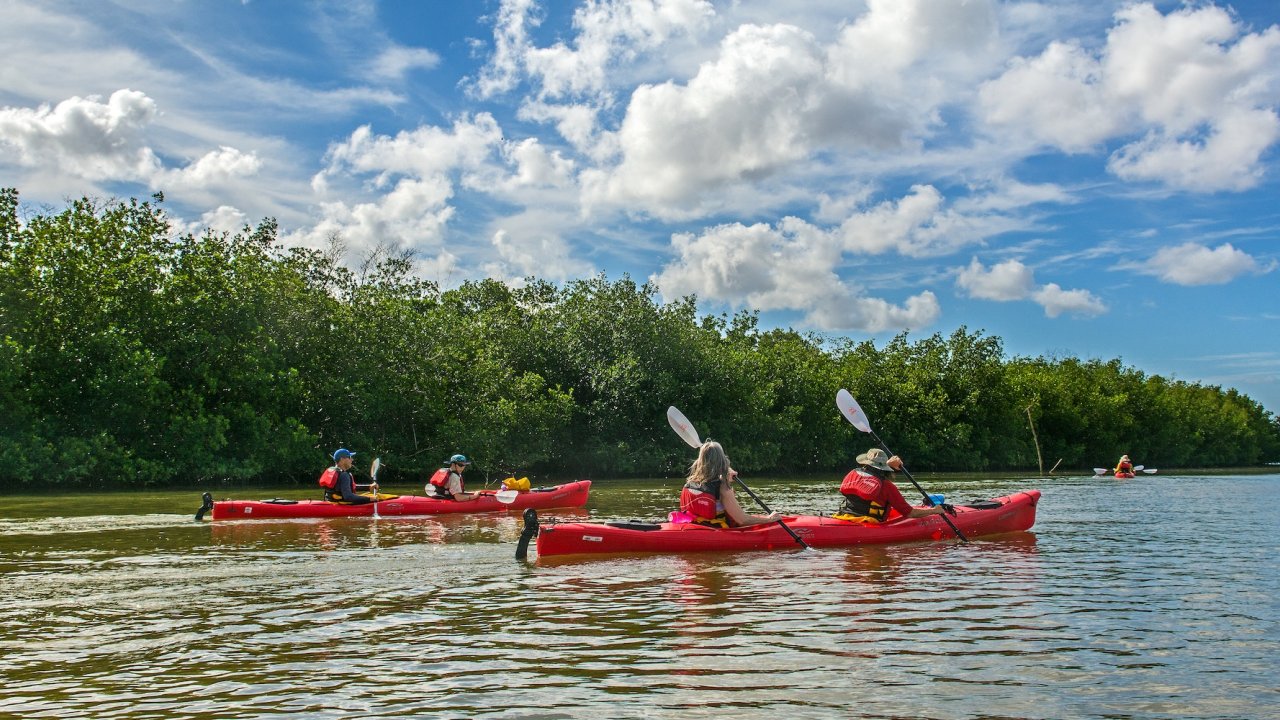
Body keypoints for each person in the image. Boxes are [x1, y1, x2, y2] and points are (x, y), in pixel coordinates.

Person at [679, 441, 780, 528]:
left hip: (697, 525)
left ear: (700, 461)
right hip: (717, 531)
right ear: (723, 460)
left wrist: (726, 472)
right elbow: (742, 520)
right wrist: (769, 519)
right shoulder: (723, 488)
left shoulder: (692, 482)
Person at [835, 448, 952, 522]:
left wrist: (889, 464)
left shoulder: (854, 475)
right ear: (885, 468)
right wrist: (934, 510)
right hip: (869, 524)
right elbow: (910, 513)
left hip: (844, 517)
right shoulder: (887, 486)